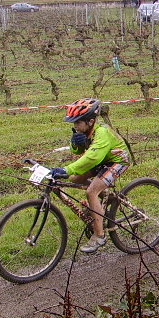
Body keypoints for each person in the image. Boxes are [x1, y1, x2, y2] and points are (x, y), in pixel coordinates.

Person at [50, 98, 130, 253]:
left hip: (118, 161)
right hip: (102, 160)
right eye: (73, 123)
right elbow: (79, 153)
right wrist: (76, 144)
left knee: (91, 191)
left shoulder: (102, 132)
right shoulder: (86, 131)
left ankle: (99, 236)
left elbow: (92, 158)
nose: (75, 126)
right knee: (74, 179)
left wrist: (66, 169)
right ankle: (104, 196)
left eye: (77, 123)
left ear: (90, 121)